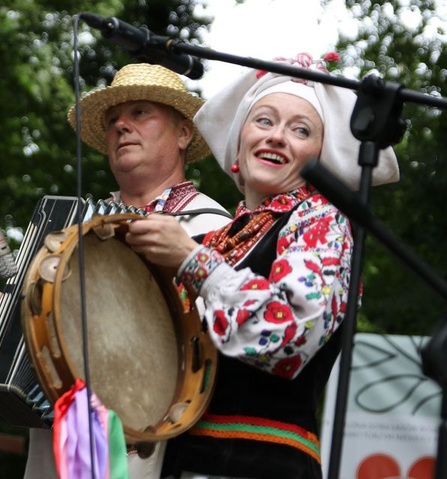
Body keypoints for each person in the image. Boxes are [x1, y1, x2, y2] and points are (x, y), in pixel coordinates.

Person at [123, 53, 400, 479]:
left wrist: (193, 262)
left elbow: (288, 332)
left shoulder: (320, 220)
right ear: (239, 142)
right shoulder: (220, 237)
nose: (277, 138)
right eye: (265, 121)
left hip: (264, 462)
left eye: (300, 130)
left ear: (319, 159)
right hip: (181, 461)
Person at [0, 63, 231, 478]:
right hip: (54, 460)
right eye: (112, 120)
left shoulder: (213, 229)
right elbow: (33, 344)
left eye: (140, 112)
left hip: (150, 459)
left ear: (183, 133)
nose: (122, 125)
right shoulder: (66, 228)